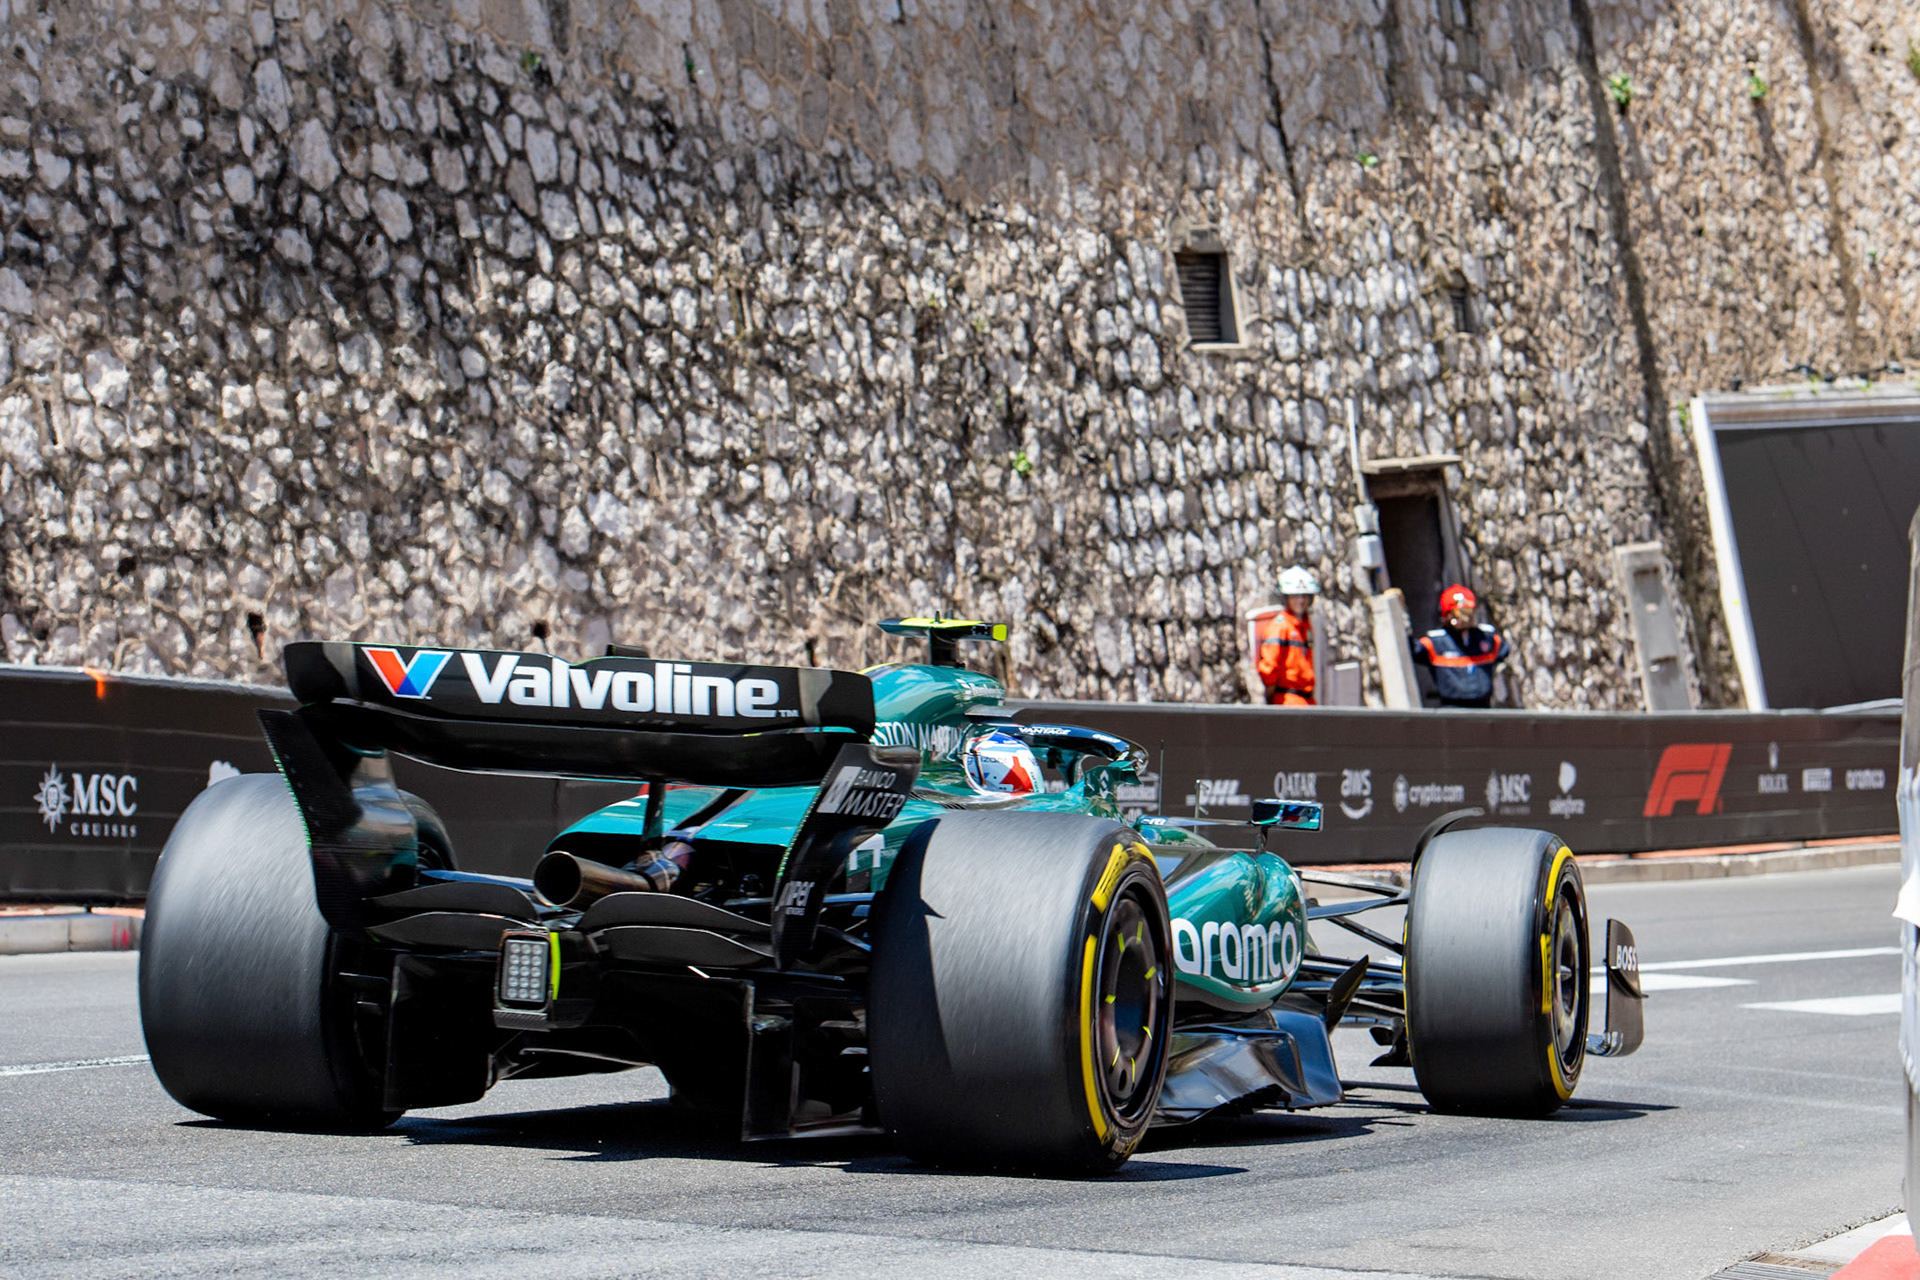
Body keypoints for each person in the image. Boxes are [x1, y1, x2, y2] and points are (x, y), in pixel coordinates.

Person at [1410, 583, 1511, 708]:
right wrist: (1401, 617)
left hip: (1483, 708)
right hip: (1452, 709)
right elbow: (1411, 650)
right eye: (1459, 613)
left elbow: (1504, 652)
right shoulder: (1436, 642)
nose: (1465, 619)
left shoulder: (1486, 638)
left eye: (1468, 612)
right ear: (1447, 615)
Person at [1257, 566, 1319, 706]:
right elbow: (1269, 668)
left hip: (1307, 700)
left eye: (1304, 596)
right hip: (1288, 700)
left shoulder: (1306, 625)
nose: (1301, 601)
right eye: (1295, 596)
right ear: (1286, 598)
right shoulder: (1280, 626)